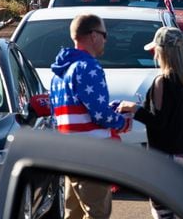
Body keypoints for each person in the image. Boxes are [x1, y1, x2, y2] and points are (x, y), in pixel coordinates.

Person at [50, 14, 132, 219]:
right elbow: (99, 115)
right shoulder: (88, 67)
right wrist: (123, 122)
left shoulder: (59, 73)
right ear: (93, 35)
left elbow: (63, 113)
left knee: (73, 214)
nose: (106, 39)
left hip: (67, 154)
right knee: (98, 213)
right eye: (104, 34)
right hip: (91, 155)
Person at [118, 27, 183, 219]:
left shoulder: (161, 82)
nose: (153, 53)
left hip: (162, 156)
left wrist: (135, 109)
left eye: (155, 50)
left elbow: (159, 122)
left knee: (162, 211)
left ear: (163, 53)